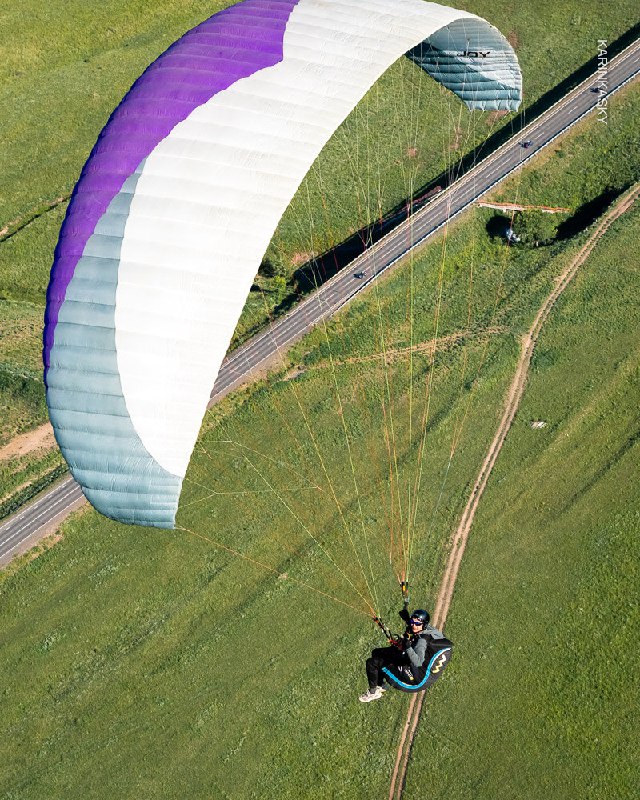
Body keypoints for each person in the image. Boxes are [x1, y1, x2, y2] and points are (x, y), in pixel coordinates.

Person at [359, 607, 451, 702]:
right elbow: (416, 626)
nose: (414, 625)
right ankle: (380, 685)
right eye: (412, 622)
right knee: (377, 653)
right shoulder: (429, 630)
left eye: (417, 624)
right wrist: (407, 619)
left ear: (423, 625)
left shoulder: (422, 642)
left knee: (372, 663)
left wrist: (407, 647)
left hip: (415, 681)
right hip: (418, 667)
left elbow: (418, 662)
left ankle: (373, 693)